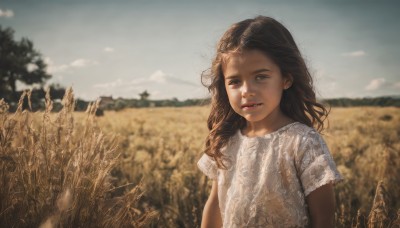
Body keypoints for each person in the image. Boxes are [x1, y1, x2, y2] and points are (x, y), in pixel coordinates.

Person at [197, 16, 343, 228]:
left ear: (286, 79)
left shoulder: (303, 142)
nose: (247, 91)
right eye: (235, 81)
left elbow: (324, 220)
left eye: (260, 77)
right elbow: (215, 203)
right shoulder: (226, 141)